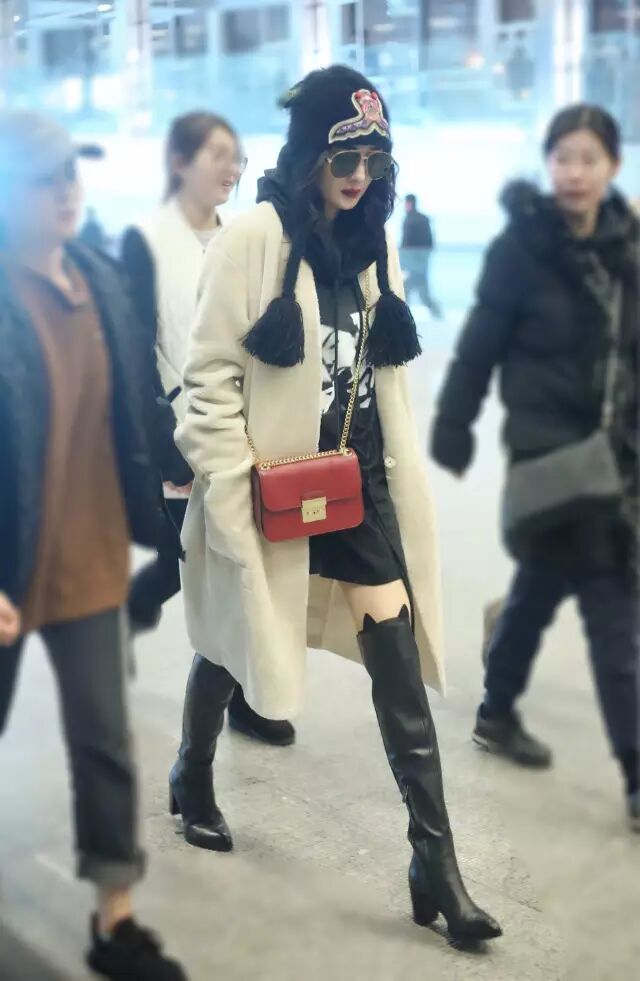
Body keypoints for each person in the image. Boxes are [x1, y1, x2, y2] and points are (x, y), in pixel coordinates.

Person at [172, 65, 502, 944]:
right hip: (268, 486)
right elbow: (208, 380)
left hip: (354, 487)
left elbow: (381, 373)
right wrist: (230, 486)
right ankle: (191, 771)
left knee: (397, 655)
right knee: (236, 638)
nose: (358, 175)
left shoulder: (374, 243)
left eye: (374, 159)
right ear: (310, 152)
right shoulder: (253, 240)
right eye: (343, 156)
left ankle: (435, 861)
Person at [0, 110, 189, 980]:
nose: (67, 191)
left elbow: (136, 401)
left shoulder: (100, 278)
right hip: (8, 564)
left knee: (105, 742)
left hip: (92, 555)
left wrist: (179, 472)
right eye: (46, 179)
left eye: (72, 173)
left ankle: (116, 920)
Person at [431, 104, 639, 831]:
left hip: (616, 455)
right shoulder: (520, 248)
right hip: (550, 451)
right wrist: (452, 426)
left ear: (613, 165)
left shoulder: (626, 249)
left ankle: (496, 710)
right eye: (562, 158)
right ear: (548, 165)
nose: (574, 172)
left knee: (539, 585)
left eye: (588, 158)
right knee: (613, 606)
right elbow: (479, 343)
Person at [121, 112, 295, 748]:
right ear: (179, 162)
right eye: (218, 154)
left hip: (243, 431)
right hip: (180, 434)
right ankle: (123, 619)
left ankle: (246, 699)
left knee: (242, 565)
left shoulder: (241, 239)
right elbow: (132, 351)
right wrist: (165, 444)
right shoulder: (146, 241)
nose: (232, 167)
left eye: (237, 156)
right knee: (192, 564)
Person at [400, 194, 442, 319]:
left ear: (409, 204)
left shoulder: (409, 220)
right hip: (421, 262)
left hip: (412, 261)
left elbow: (406, 242)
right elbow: (430, 242)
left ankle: (403, 316)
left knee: (407, 289)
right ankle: (437, 315)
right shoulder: (424, 219)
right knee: (420, 291)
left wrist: (401, 260)